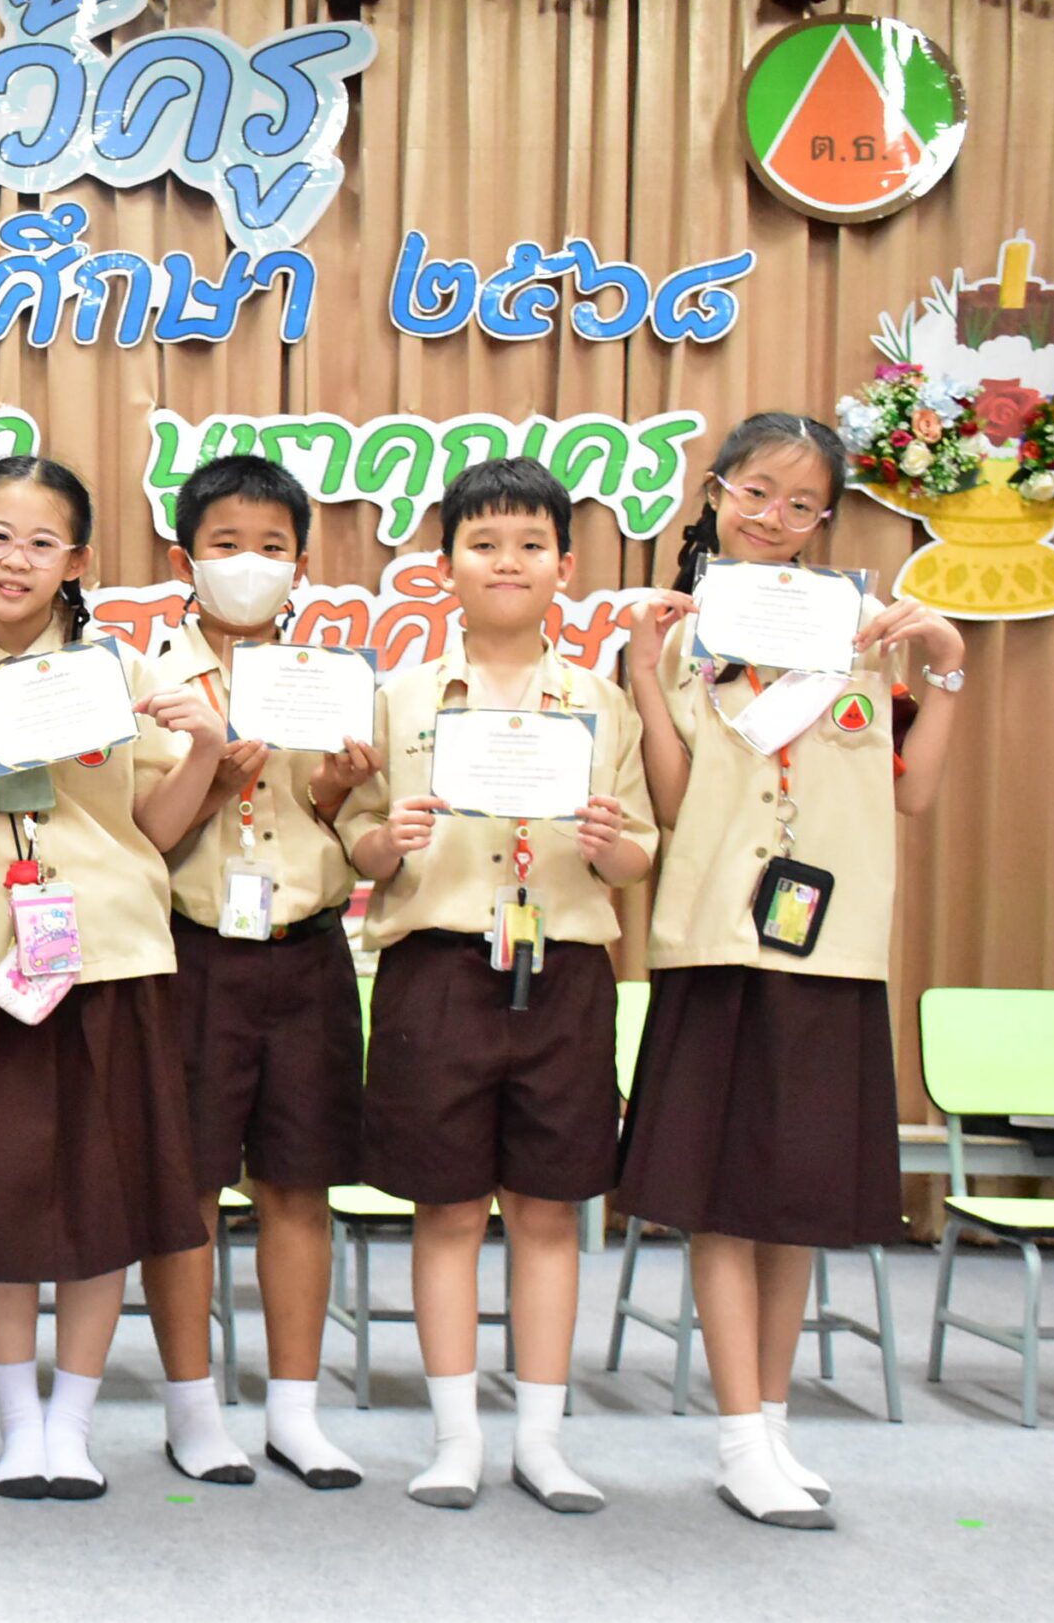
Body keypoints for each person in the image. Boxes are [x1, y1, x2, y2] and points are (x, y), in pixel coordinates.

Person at [616, 413, 966, 1529]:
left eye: (802, 504)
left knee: (797, 1200)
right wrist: (640, 670)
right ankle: (738, 1435)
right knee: (724, 1200)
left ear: (826, 519)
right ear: (716, 491)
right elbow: (672, 801)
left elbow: (914, 793)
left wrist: (948, 667)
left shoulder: (864, 632)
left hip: (834, 944)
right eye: (757, 491)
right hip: (715, 936)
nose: (775, 517)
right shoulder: (677, 632)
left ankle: (771, 1424)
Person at [338, 457, 656, 1515]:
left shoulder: (602, 702)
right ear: (445, 566)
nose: (506, 562)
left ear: (565, 565)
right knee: (444, 1211)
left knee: (549, 1212)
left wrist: (610, 844)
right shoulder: (399, 698)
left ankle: (543, 1442)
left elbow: (637, 857)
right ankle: (454, 1438)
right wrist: (384, 837)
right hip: (436, 971)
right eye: (483, 544)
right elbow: (358, 843)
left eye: (529, 545)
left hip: (563, 974)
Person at [0, 454, 224, 1500]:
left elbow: (153, 830)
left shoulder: (117, 675)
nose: (16, 560)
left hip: (110, 956)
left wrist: (203, 754)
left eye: (42, 543)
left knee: (103, 1199)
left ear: (76, 561)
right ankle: (16, 1425)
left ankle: (73, 1423)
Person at [141, 454, 377, 1491]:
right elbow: (139, 834)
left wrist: (336, 790)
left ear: (302, 565)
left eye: (272, 547)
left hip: (308, 948)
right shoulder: (148, 679)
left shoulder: (333, 678)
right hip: (190, 951)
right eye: (226, 545)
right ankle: (192, 1410)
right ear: (183, 559)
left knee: (298, 1184)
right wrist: (208, 776)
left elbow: (351, 828)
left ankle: (294, 1412)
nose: (250, 564)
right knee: (187, 1188)